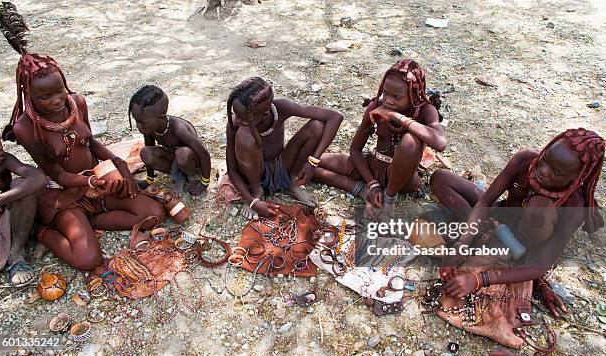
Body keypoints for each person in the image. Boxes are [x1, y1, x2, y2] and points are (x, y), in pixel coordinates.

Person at [0, 2, 165, 271]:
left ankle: (90, 221)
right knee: (89, 260)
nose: (56, 100)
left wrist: (120, 166)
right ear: (27, 94)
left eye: (59, 91)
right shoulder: (25, 128)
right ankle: (41, 231)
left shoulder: (77, 102)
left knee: (154, 214)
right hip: (63, 192)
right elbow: (59, 175)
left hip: (94, 180)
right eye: (45, 96)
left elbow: (90, 142)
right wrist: (93, 181)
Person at [430, 128, 604, 317]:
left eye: (557, 171)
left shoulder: (575, 205)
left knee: (537, 210)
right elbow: (485, 201)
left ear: (578, 178)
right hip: (500, 216)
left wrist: (479, 279)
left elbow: (540, 265)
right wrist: (462, 243)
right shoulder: (526, 160)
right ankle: (485, 235)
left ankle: (505, 253)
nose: (543, 171)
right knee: (441, 179)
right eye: (545, 158)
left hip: (525, 247)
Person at [313, 59, 446, 220]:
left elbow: (440, 142)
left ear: (413, 96)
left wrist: (397, 117)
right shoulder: (376, 106)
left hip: (403, 179)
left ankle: (389, 200)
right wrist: (372, 183)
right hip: (373, 167)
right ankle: (362, 190)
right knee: (312, 162)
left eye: (397, 97)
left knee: (410, 141)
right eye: (386, 93)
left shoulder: (425, 110)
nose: (389, 100)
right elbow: (355, 150)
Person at [225, 77, 343, 219]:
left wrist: (313, 161)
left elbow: (335, 117)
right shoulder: (235, 124)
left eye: (243, 118)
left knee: (317, 126)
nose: (237, 119)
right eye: (236, 114)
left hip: (281, 167)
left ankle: (291, 183)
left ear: (265, 115)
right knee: (245, 135)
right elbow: (231, 169)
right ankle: (257, 191)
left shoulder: (280, 109)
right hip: (254, 174)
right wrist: (252, 202)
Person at [128, 85, 212, 197]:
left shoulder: (179, 129)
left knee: (182, 154)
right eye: (136, 121)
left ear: (161, 118)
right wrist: (149, 180)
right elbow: (150, 148)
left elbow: (204, 154)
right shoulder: (150, 129)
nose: (138, 126)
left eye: (142, 122)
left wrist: (204, 183)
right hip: (174, 160)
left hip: (192, 160)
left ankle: (192, 177)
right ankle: (180, 177)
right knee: (145, 153)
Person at [0, 123, 47, 286]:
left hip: (9, 219)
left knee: (21, 185)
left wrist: (2, 198)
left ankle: (16, 254)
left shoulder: (4, 160)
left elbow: (37, 178)